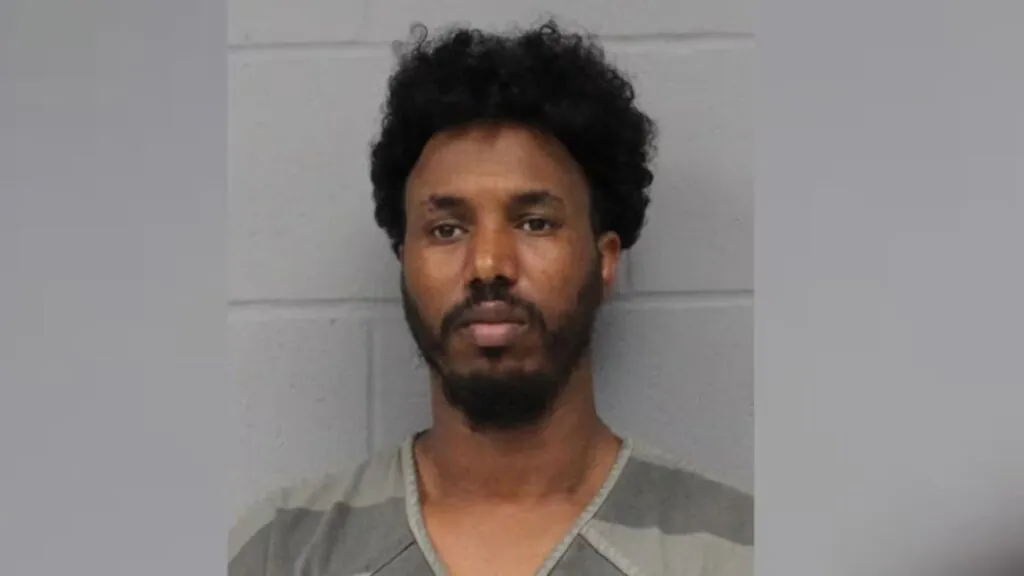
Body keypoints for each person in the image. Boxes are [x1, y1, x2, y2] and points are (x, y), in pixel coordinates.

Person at [229, 20, 752, 576]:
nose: (488, 266)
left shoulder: (733, 549)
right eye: (447, 230)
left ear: (604, 259)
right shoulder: (281, 551)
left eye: (535, 223)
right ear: (405, 260)